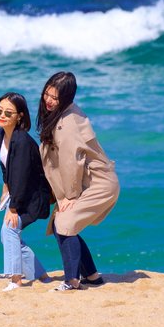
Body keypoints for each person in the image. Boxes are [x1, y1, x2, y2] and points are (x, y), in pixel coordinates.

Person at [38, 71, 120, 291]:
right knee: (63, 224)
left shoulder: (68, 123)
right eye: (47, 93)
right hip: (90, 180)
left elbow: (71, 163)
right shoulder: (60, 115)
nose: (49, 100)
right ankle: (91, 276)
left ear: (67, 98)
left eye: (55, 98)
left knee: (64, 222)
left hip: (99, 183)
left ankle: (72, 281)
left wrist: (69, 197)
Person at [0, 92, 52, 292]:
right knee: (10, 234)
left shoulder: (21, 141)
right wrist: (5, 187)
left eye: (8, 113)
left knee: (9, 230)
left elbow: (21, 176)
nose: (2, 115)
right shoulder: (2, 135)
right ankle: (41, 275)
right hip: (19, 193)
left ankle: (16, 279)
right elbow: (7, 168)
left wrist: (13, 208)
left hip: (33, 197)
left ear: (19, 116)